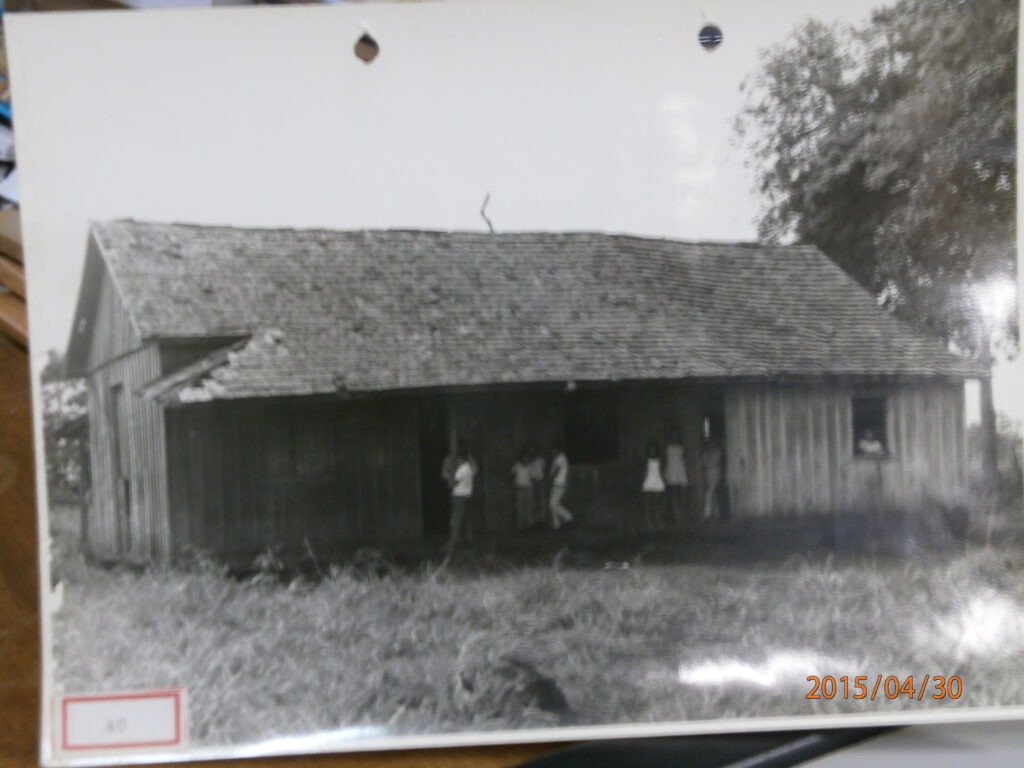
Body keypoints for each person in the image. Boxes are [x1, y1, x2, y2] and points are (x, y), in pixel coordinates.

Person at [446, 447, 475, 553]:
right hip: (467, 496)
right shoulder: (470, 468)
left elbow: (453, 483)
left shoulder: (461, 470)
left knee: (456, 520)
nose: (457, 460)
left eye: (458, 458)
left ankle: (452, 543)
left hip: (459, 496)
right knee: (466, 519)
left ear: (461, 459)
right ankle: (468, 539)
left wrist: (450, 479)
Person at [664, 430, 689, 522]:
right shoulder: (667, 447)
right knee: (673, 493)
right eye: (672, 435)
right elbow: (665, 460)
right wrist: (666, 472)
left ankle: (682, 512)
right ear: (670, 436)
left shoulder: (681, 447)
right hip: (671, 469)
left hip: (680, 468)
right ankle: (676, 512)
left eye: (676, 435)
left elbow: (684, 458)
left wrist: (685, 468)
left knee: (683, 491)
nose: (674, 437)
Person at [642, 440, 666, 528]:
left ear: (656, 450)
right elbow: (644, 472)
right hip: (649, 480)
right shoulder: (646, 460)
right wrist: (644, 480)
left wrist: (663, 480)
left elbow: (661, 471)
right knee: (648, 502)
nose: (652, 451)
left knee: (657, 502)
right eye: (650, 450)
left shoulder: (659, 460)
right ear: (648, 451)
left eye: (654, 449)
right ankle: (649, 520)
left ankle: (658, 519)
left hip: (657, 480)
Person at [549, 443, 573, 530]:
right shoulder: (556, 459)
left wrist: (551, 477)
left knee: (552, 504)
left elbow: (555, 472)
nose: (552, 452)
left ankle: (568, 516)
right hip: (555, 484)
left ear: (558, 449)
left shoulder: (561, 458)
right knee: (554, 505)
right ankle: (557, 526)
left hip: (559, 484)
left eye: (554, 450)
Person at [511, 449, 535, 529]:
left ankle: (529, 526)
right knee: (519, 508)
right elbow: (512, 474)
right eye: (525, 457)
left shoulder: (531, 466)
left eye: (527, 458)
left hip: (528, 489)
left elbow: (533, 477)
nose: (526, 459)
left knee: (528, 508)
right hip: (519, 489)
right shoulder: (517, 466)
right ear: (522, 458)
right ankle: (520, 526)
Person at [527, 442, 546, 528]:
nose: (532, 451)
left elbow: (543, 469)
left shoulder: (540, 459)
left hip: (540, 480)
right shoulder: (528, 460)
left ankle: (541, 521)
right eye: (530, 450)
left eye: (533, 449)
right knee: (532, 501)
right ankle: (533, 522)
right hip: (532, 481)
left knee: (541, 500)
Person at [702, 440, 722, 520]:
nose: (711, 446)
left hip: (715, 473)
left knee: (709, 493)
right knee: (713, 493)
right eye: (710, 445)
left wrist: (708, 462)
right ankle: (716, 513)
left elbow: (715, 462)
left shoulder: (717, 452)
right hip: (709, 473)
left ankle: (707, 514)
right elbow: (704, 463)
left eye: (713, 444)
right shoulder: (706, 454)